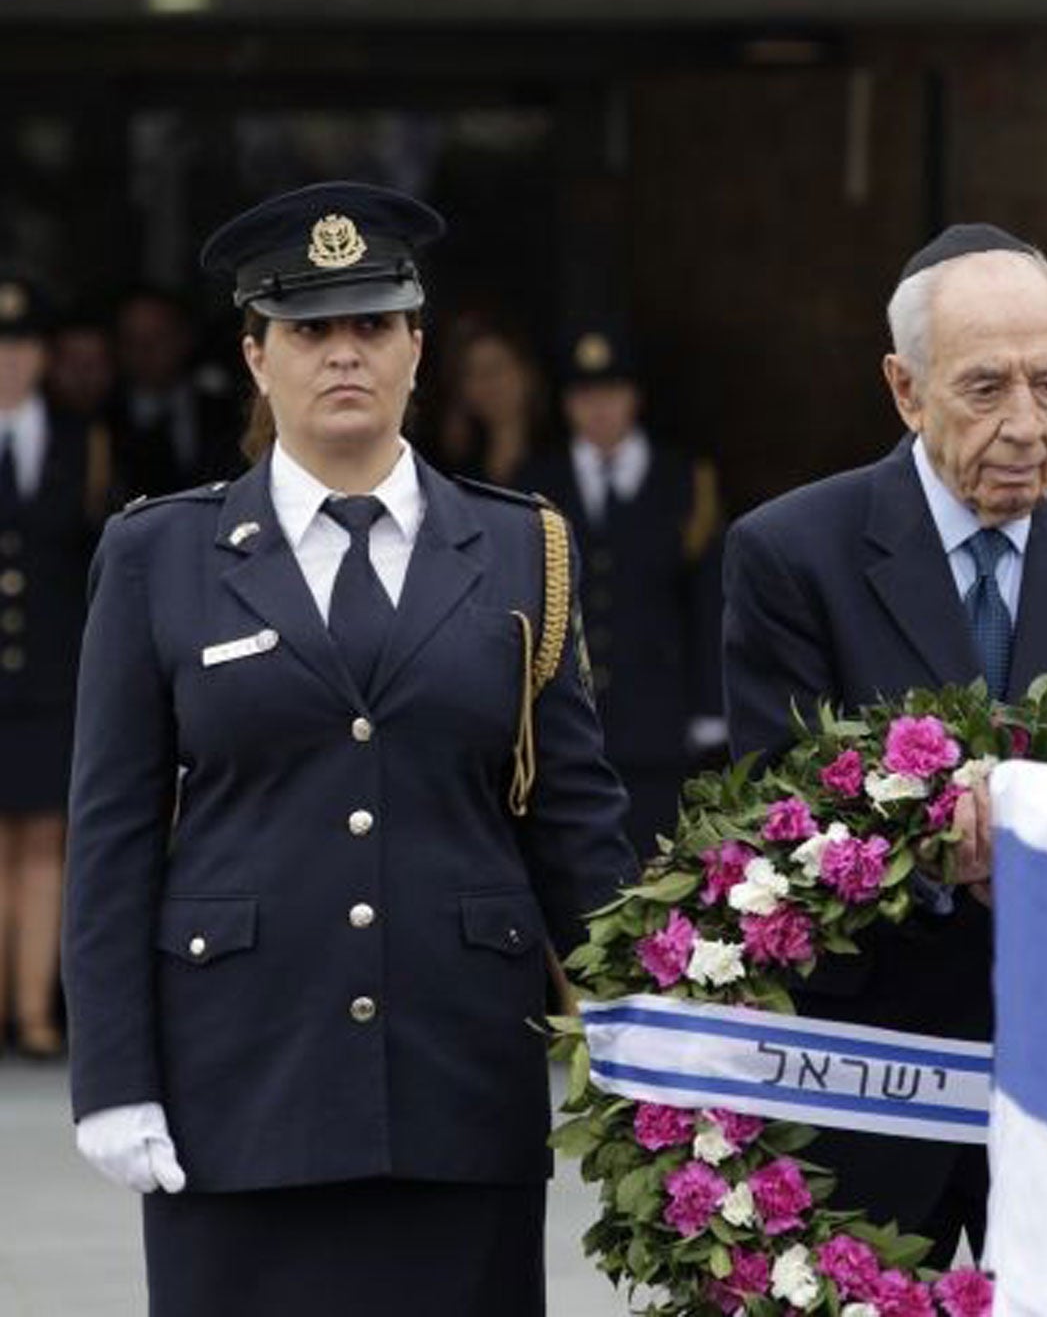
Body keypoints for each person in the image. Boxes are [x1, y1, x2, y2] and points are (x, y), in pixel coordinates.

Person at [62, 182, 635, 1316]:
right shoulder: (158, 556)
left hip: (459, 1078)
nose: (343, 356)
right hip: (238, 1081)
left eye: (372, 325)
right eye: (308, 330)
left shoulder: (521, 549)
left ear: (418, 349)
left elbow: (572, 820)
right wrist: (114, 1079)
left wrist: (650, 1029)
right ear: (255, 356)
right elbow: (114, 834)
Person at [722, 221, 1047, 1251]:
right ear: (905, 390)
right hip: (868, 1068)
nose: (1027, 425)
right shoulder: (789, 554)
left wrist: (1035, 846)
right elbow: (771, 799)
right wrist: (922, 849)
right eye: (985, 389)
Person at [521, 321, 726, 858]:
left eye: (611, 392)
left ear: (634, 397)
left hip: (659, 717)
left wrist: (709, 709)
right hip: (566, 722)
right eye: (584, 394)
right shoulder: (535, 481)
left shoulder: (683, 479)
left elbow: (706, 604)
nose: (599, 408)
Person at [0, 277, 113, 1058]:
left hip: (50, 670)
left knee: (48, 842)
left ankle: (36, 1012)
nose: (9, 361)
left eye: (21, 346)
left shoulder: (83, 439)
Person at [110, 289, 242, 498]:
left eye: (159, 336)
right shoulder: (104, 417)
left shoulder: (224, 411)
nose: (145, 350)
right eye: (131, 339)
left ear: (186, 338)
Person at [437, 321, 547, 486]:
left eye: (496, 367)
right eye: (473, 372)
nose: (487, 382)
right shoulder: (453, 474)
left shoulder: (567, 464)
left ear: (526, 373)